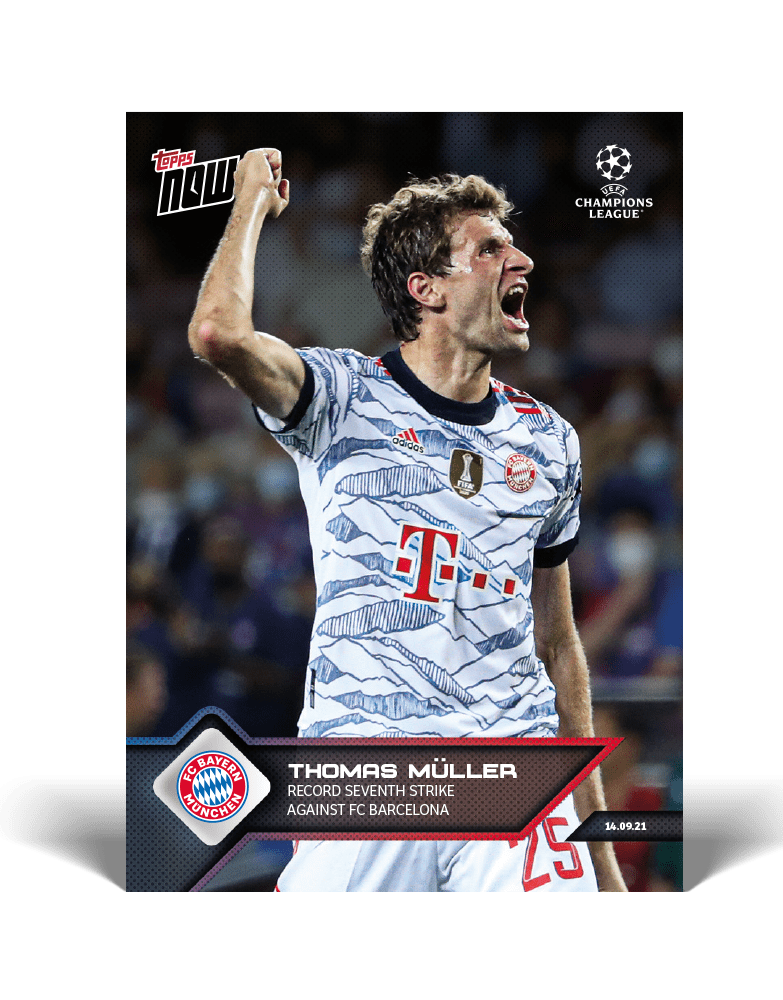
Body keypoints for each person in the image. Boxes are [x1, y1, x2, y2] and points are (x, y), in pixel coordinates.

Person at [188, 148, 627, 892]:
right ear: (426, 288)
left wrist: (602, 854)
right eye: (488, 249)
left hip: (511, 768)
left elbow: (558, 644)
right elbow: (217, 335)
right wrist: (251, 203)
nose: (521, 259)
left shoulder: (548, 440)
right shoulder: (339, 397)